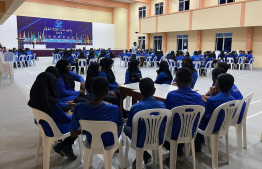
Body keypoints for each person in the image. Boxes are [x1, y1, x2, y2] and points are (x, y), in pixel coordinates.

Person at [28, 72, 77, 160]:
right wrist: (70, 115)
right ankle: (63, 145)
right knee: (78, 124)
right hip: (54, 129)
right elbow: (64, 119)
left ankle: (66, 147)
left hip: (44, 126)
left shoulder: (35, 98)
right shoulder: (51, 102)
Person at [70, 77, 123, 149]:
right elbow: (117, 128)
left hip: (91, 140)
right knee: (121, 124)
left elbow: (73, 133)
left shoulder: (79, 107)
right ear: (107, 92)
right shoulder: (114, 109)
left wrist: (87, 129)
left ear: (91, 90)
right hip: (110, 141)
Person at [125, 78, 166, 167]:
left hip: (140, 140)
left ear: (140, 91)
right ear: (154, 90)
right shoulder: (162, 105)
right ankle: (145, 155)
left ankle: (143, 154)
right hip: (158, 138)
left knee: (126, 128)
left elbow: (130, 126)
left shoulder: (135, 107)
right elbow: (164, 123)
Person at [164, 68, 204, 160]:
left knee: (159, 127)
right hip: (191, 131)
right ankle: (182, 147)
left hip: (174, 133)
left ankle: (175, 150)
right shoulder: (198, 97)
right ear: (191, 80)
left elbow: (167, 115)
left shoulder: (171, 95)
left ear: (176, 81)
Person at [197, 73, 235, 145]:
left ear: (217, 84)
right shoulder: (233, 99)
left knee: (193, 119)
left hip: (210, 127)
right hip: (222, 125)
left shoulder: (212, 100)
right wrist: (213, 95)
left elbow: (203, 115)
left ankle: (197, 141)